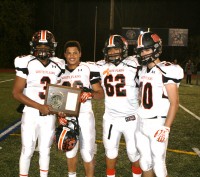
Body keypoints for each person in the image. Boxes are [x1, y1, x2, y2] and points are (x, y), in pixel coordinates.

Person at [12, 30, 65, 177]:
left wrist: (59, 110)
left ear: (52, 47)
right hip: (30, 113)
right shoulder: (26, 62)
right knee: (27, 149)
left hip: (49, 115)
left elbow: (59, 93)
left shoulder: (59, 64)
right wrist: (39, 106)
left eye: (46, 47)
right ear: (33, 46)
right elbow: (16, 93)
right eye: (39, 46)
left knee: (45, 150)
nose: (43, 50)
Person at [135, 31, 184, 177]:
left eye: (147, 49)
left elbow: (174, 103)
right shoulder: (143, 70)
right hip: (141, 122)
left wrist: (166, 127)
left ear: (156, 49)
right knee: (145, 163)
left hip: (157, 124)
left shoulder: (167, 69)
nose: (144, 53)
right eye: (141, 50)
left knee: (159, 167)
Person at [96, 35, 142, 177]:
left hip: (132, 117)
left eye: (116, 49)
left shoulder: (134, 63)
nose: (112, 52)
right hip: (111, 118)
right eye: (110, 50)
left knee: (134, 153)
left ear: (123, 49)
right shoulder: (100, 65)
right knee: (110, 151)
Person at [57, 40, 104, 177]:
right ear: (65, 54)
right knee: (70, 150)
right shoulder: (59, 71)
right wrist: (59, 115)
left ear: (80, 54)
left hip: (84, 114)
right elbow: (56, 98)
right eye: (69, 53)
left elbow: (100, 94)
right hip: (67, 115)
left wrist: (89, 93)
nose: (72, 56)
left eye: (75, 53)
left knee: (87, 152)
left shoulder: (88, 68)